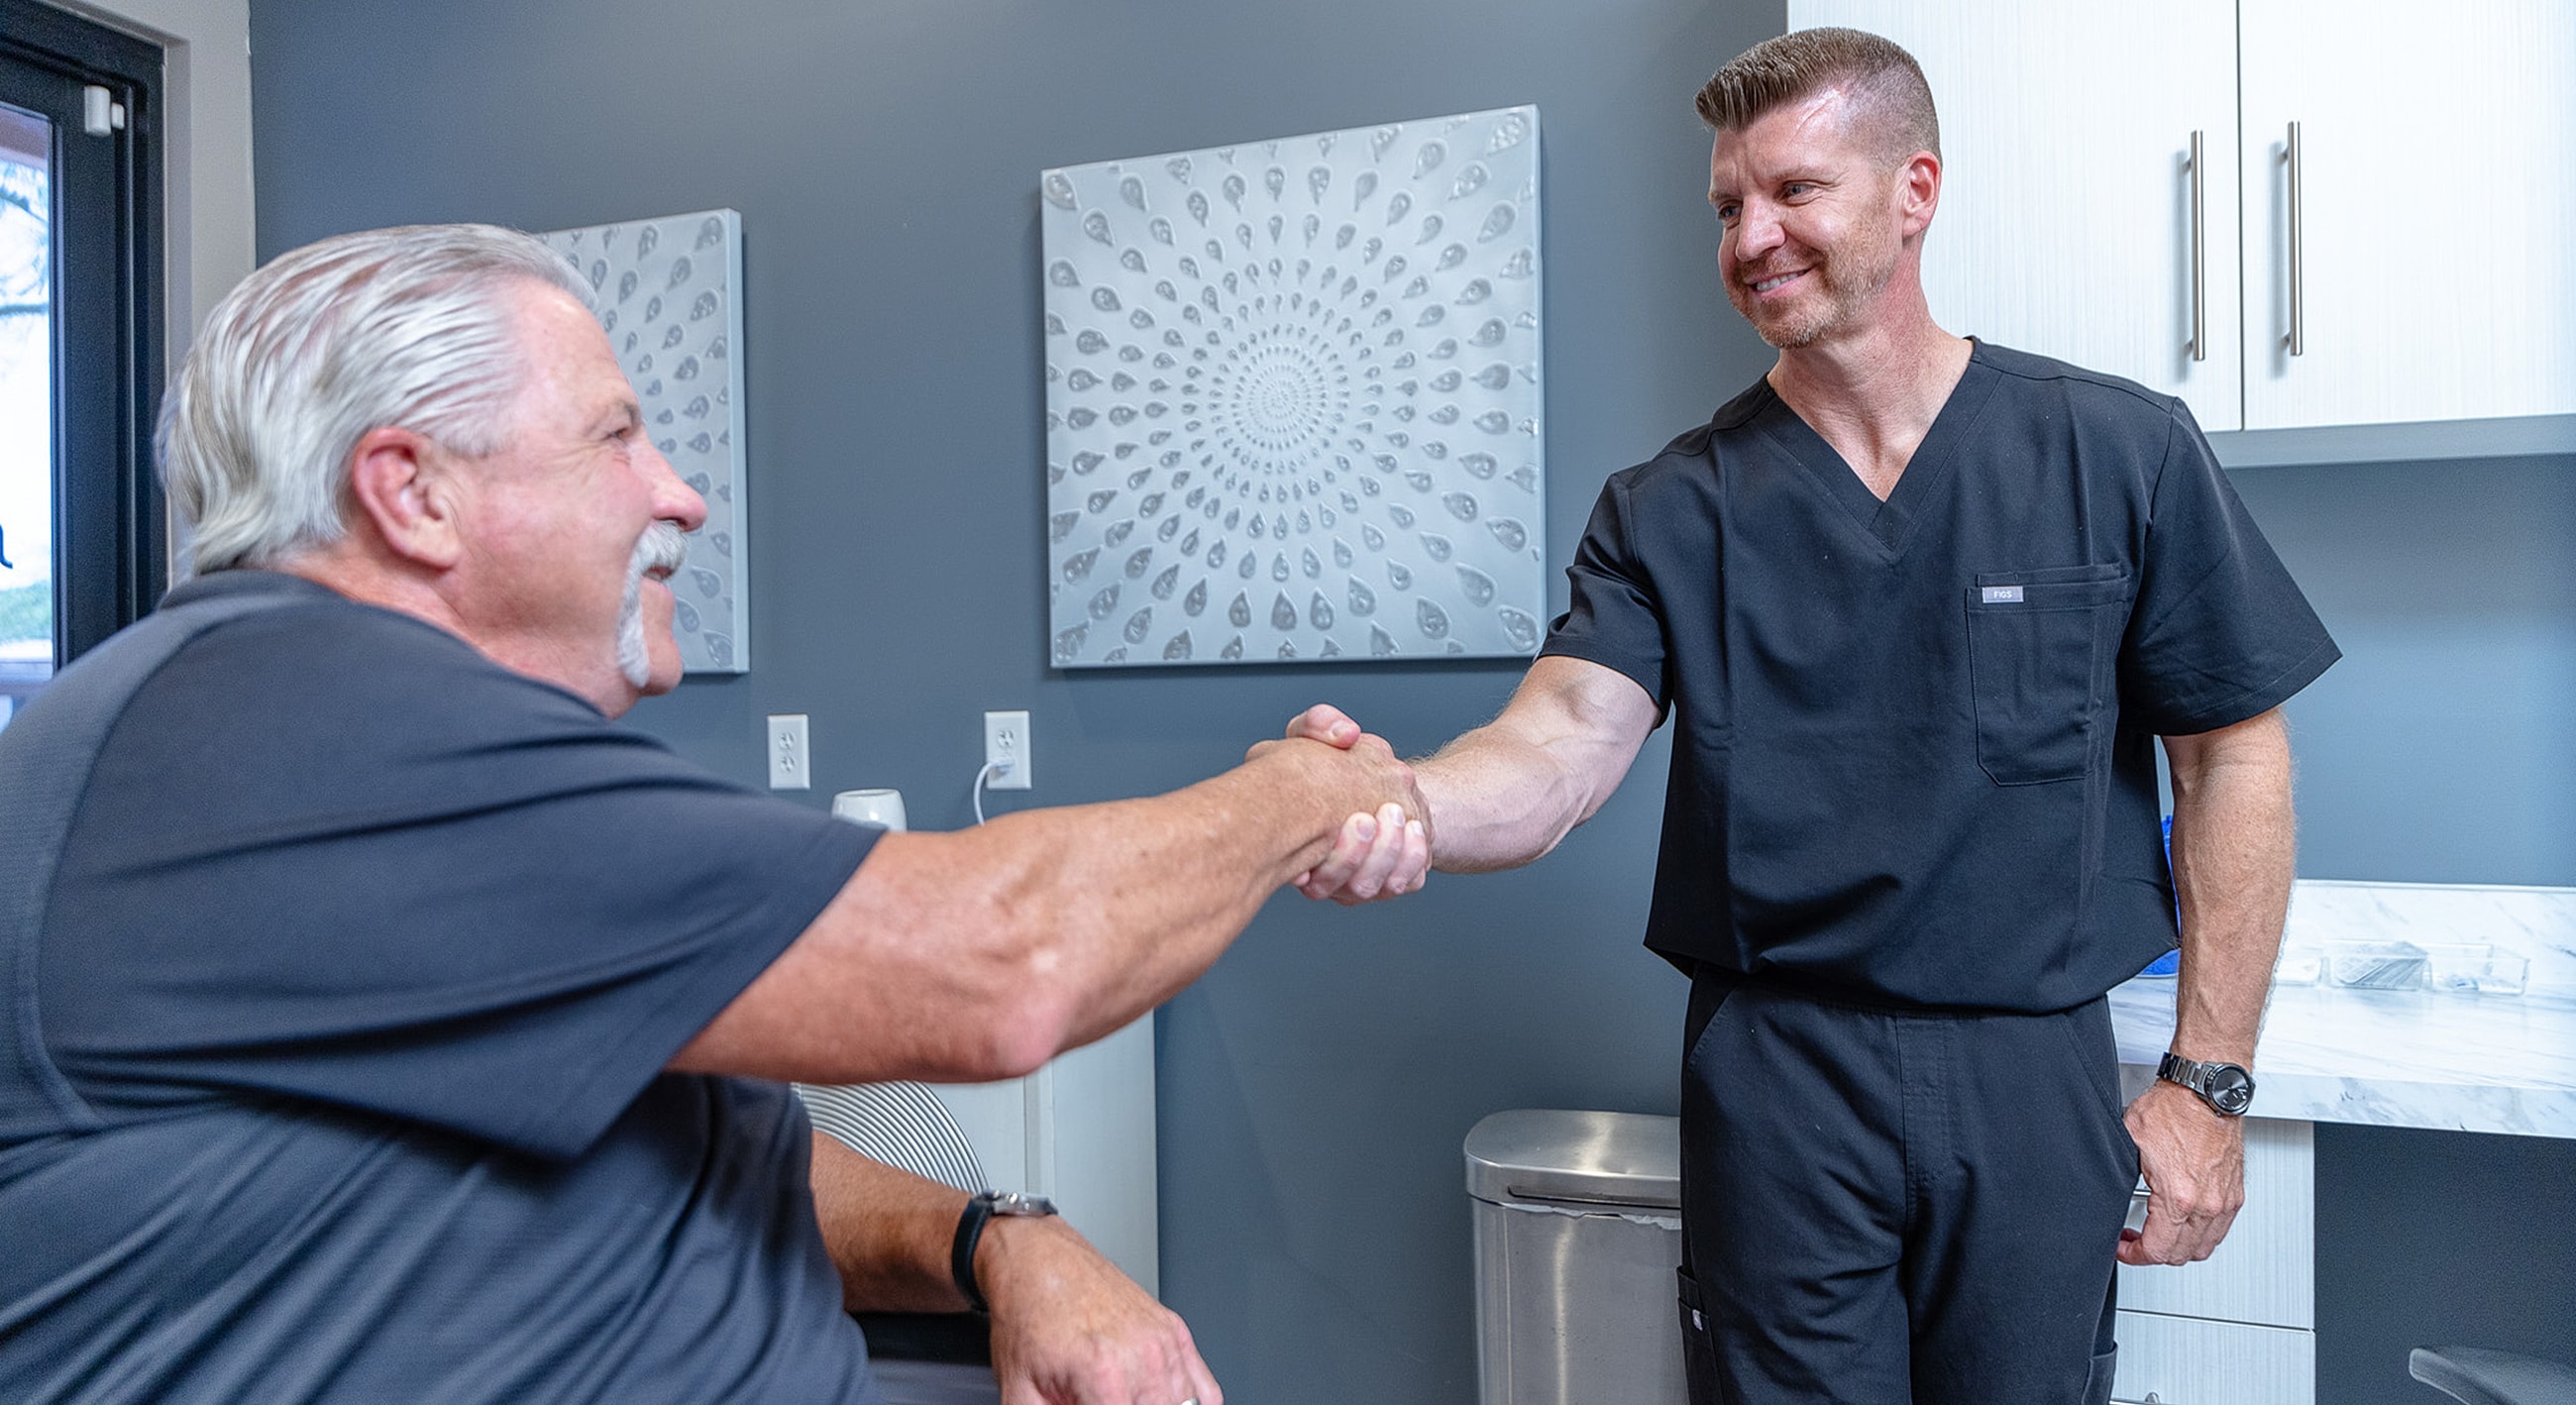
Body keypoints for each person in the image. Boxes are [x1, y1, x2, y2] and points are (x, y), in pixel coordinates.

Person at [0, 222, 1426, 1404]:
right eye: (615, 434)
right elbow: (1007, 959)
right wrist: (1314, 788)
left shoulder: (353, 736)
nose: (679, 495)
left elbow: (702, 1144)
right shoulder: (288, 727)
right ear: (411, 492)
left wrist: (994, 1237)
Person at [1288, 26, 2339, 1405]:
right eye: (1728, 205)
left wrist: (2209, 1081)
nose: (1751, 237)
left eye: (1794, 191)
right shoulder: (1670, 509)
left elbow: (2231, 755)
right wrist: (1402, 801)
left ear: (1916, 192)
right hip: (1780, 1082)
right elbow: (1556, 751)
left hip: (2030, 1072)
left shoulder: (2114, 451)